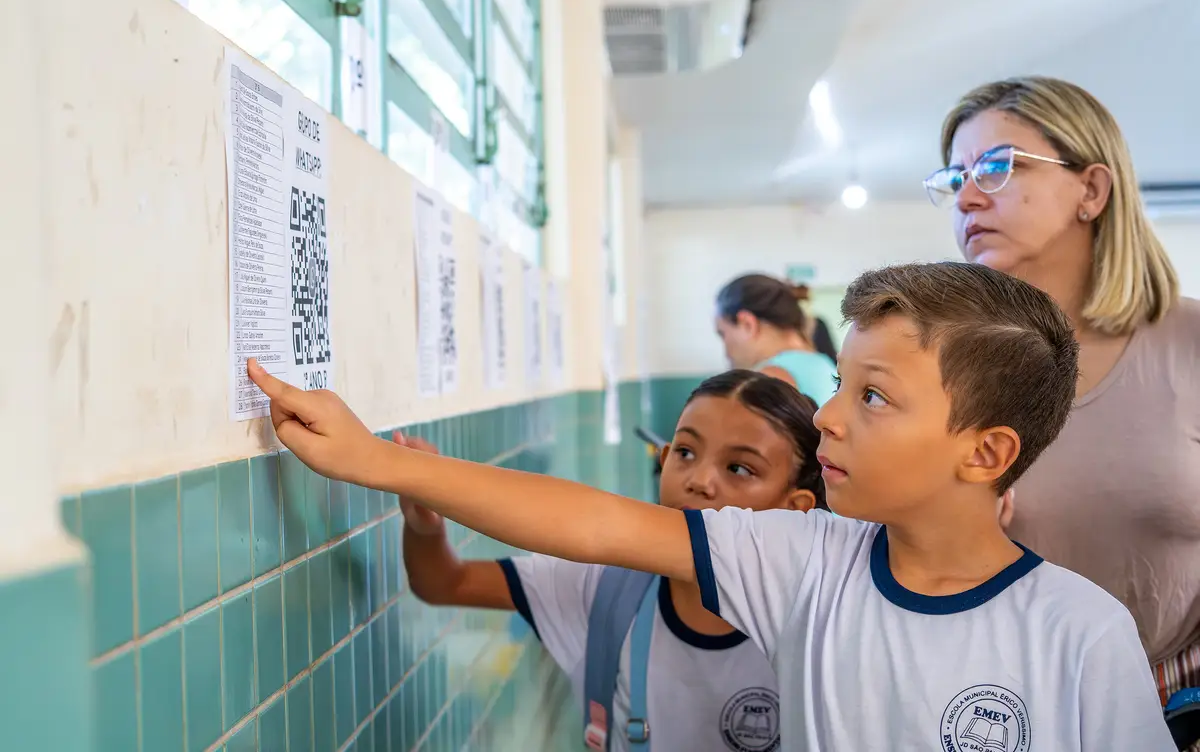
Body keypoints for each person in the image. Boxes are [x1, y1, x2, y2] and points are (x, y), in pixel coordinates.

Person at [245, 262, 1175, 751]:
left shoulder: (1080, 634)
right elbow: (596, 525)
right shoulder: (806, 562)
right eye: (839, 386)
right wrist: (378, 464)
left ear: (986, 452)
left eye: (873, 397)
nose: (829, 417)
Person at [927, 76, 1200, 705]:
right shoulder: (940, 366)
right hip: (991, 707)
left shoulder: (1189, 342)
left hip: (1178, 708)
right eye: (956, 177)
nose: (967, 197)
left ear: (1092, 190)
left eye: (997, 167)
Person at [396, 370, 825, 751]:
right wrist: (424, 527)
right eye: (685, 452)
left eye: (739, 469)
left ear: (795, 507)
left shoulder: (820, 626)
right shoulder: (607, 586)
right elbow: (444, 583)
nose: (699, 480)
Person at [714, 274, 838, 404]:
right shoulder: (823, 363)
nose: (726, 352)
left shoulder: (769, 380)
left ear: (747, 324)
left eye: (723, 334)